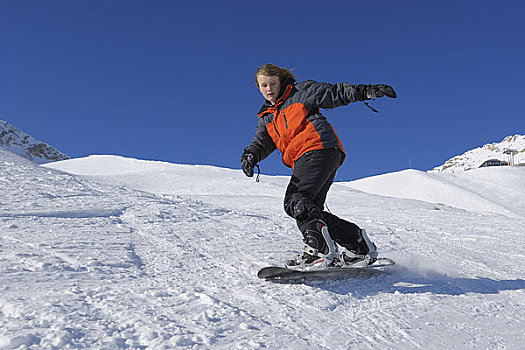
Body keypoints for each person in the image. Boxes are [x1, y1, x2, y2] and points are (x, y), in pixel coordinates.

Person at [241, 63, 396, 270]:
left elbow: (334, 93)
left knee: (296, 200)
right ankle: (359, 246)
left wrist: (365, 91)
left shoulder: (300, 92)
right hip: (317, 154)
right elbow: (262, 141)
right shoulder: (267, 116)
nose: (269, 89)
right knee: (311, 210)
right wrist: (251, 155)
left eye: (273, 83)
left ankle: (319, 251)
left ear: (281, 81)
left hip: (316, 147)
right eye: (263, 85)